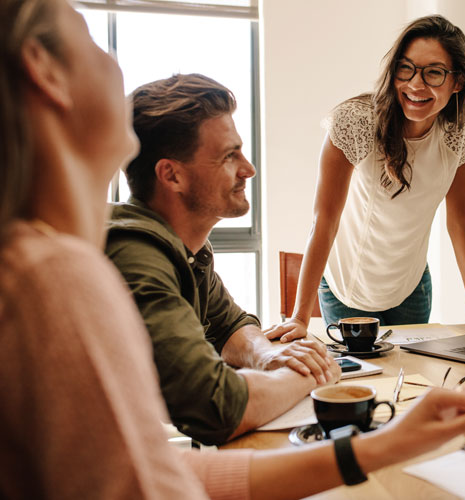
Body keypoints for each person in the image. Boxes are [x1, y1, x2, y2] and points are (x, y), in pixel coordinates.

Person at [1, 0, 465, 498]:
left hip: (403, 287)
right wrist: (312, 364)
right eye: (84, 31)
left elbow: (159, 472)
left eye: (436, 73)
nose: (252, 168)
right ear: (43, 69)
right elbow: (215, 411)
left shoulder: (163, 252)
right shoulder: (59, 274)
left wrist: (380, 443)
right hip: (348, 292)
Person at [103, 73, 340, 445]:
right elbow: (215, 408)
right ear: (172, 175)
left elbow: (227, 325)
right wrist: (308, 375)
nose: (249, 169)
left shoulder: (185, 247)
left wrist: (269, 357)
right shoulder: (137, 257)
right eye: (229, 156)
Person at [265, 15, 465, 342]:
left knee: (411, 382)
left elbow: (460, 220)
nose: (415, 84)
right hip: (347, 290)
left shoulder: (457, 134)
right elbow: (324, 219)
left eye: (434, 73)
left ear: (458, 83)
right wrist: (300, 316)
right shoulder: (356, 123)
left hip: (411, 287)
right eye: (406, 68)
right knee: (359, 382)